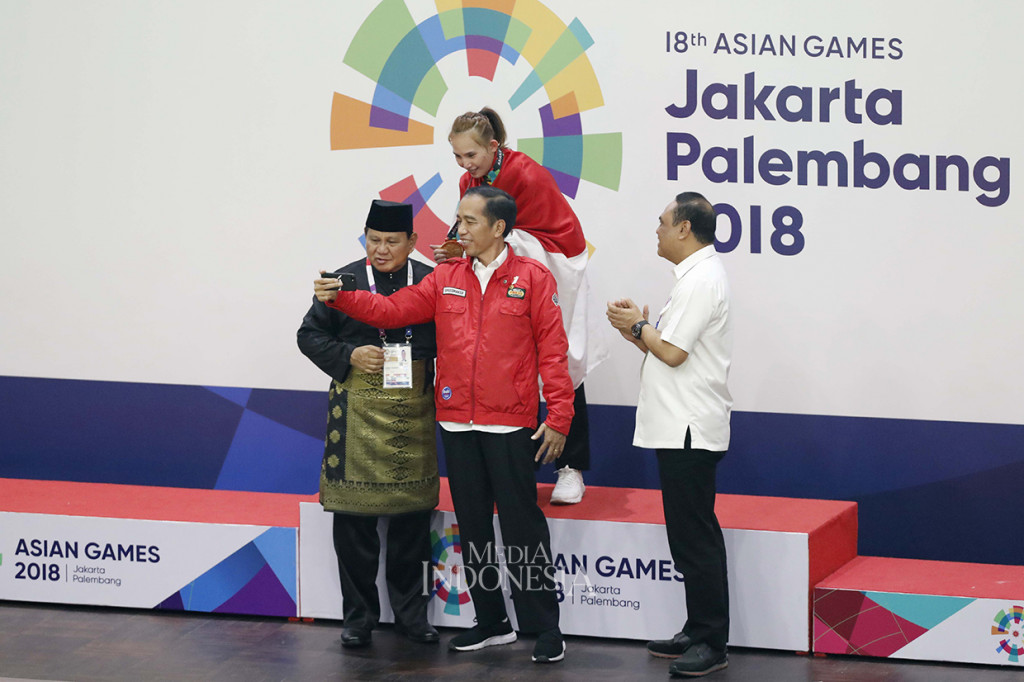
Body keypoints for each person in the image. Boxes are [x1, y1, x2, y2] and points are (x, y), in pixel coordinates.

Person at [314, 186, 573, 664]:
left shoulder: (533, 278)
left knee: (521, 529)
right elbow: (391, 310)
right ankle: (492, 622)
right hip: (456, 422)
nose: (459, 230)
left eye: (470, 221)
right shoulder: (446, 277)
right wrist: (343, 298)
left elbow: (554, 353)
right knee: (474, 528)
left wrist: (559, 416)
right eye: (458, 219)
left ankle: (543, 625)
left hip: (511, 425)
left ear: (499, 227)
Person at [434, 107, 603, 505]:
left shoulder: (525, 172)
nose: (465, 165)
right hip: (499, 283)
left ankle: (570, 467)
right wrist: (457, 248)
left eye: (471, 155)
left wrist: (508, 247)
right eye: (458, 157)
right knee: (506, 368)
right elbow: (476, 232)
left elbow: (556, 235)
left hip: (549, 269)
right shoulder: (468, 181)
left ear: (494, 147)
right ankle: (512, 467)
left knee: (561, 366)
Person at [297, 199, 439, 649]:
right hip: (356, 414)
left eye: (391, 242)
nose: (381, 250)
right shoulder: (344, 281)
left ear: (412, 242)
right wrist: (349, 355)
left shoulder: (433, 280)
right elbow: (308, 335)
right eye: (373, 240)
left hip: (413, 411)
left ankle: (412, 616)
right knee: (355, 525)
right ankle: (358, 617)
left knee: (412, 524)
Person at [605, 192, 732, 678]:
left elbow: (673, 353)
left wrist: (636, 325)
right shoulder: (695, 279)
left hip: (689, 427)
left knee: (695, 536)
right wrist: (636, 330)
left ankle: (711, 640)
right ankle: (697, 628)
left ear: (684, 228)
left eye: (661, 223)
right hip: (681, 424)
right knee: (687, 534)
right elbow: (666, 348)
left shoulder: (701, 280)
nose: (655, 231)